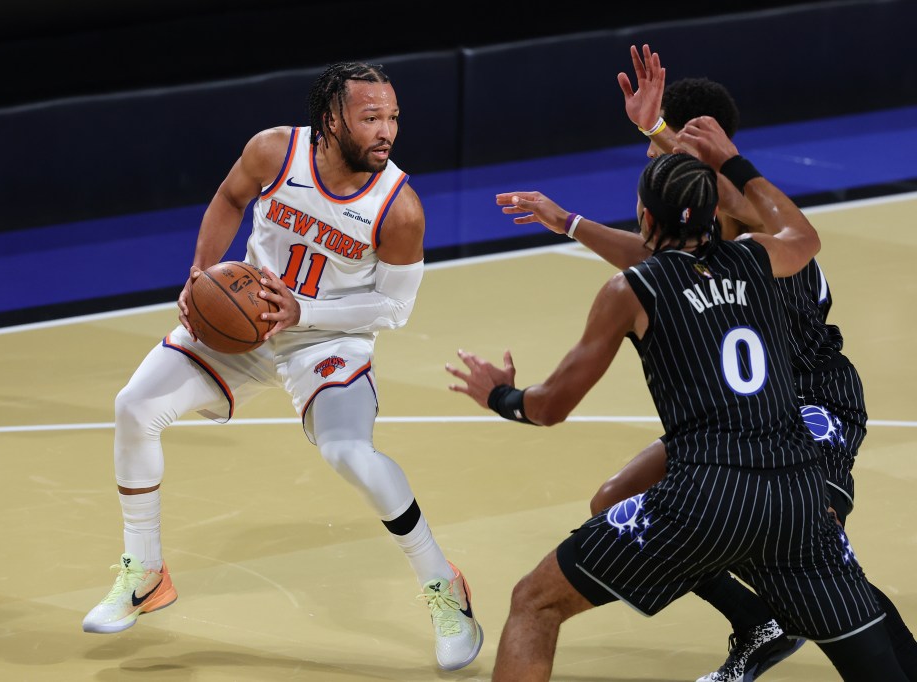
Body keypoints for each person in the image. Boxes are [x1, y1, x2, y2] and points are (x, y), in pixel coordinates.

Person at [448, 117, 908, 681]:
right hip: (795, 496)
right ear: (715, 215)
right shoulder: (758, 259)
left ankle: (759, 619)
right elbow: (804, 237)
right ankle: (762, 623)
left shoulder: (632, 288)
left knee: (534, 603)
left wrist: (500, 394)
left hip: (706, 494)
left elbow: (550, 407)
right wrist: (735, 161)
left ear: (644, 216)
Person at [80, 61, 483, 672]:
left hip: (326, 340)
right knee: (134, 406)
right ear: (331, 119)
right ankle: (146, 574)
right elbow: (228, 199)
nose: (387, 131)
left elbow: (396, 308)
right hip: (243, 320)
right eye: (371, 117)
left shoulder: (399, 209)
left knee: (352, 455)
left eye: (393, 117)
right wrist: (198, 273)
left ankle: (443, 588)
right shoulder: (274, 151)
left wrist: (304, 312)